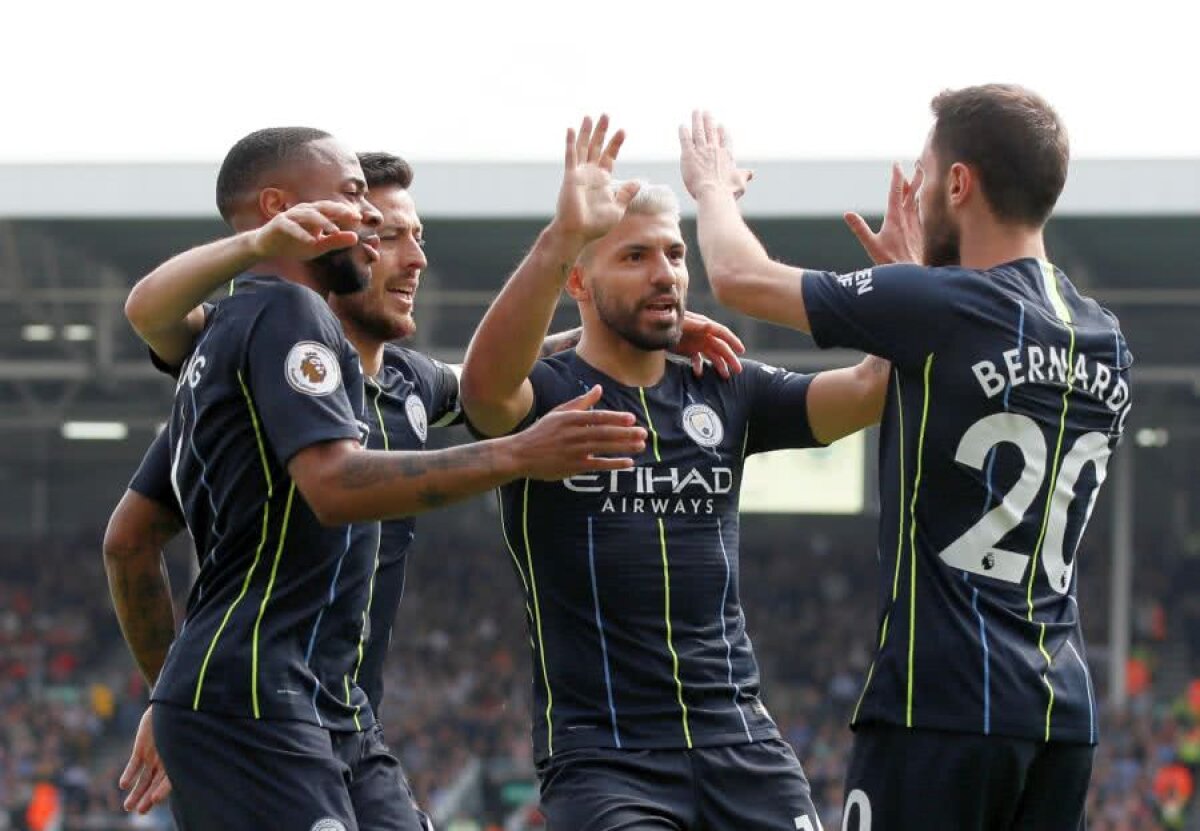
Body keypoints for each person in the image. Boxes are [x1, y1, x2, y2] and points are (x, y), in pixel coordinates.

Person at [109, 145, 741, 820]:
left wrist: (631, 331)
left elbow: (482, 379)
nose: (414, 258)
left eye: (418, 236)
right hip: (256, 702)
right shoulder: (264, 345)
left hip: (343, 717)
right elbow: (133, 531)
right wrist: (175, 690)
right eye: (385, 235)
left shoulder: (407, 382)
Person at [680, 86, 1133, 830]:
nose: (917, 191)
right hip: (1061, 718)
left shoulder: (944, 304)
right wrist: (912, 291)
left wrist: (711, 188)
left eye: (925, 175)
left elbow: (739, 277)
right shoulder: (1107, 338)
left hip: (940, 707)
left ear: (959, 183)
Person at [460, 115, 890, 831]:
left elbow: (869, 390)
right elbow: (480, 390)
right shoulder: (545, 395)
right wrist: (561, 232)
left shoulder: (726, 386)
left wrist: (899, 280)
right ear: (579, 281)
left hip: (741, 742)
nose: (664, 272)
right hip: (606, 758)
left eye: (674, 253)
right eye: (633, 256)